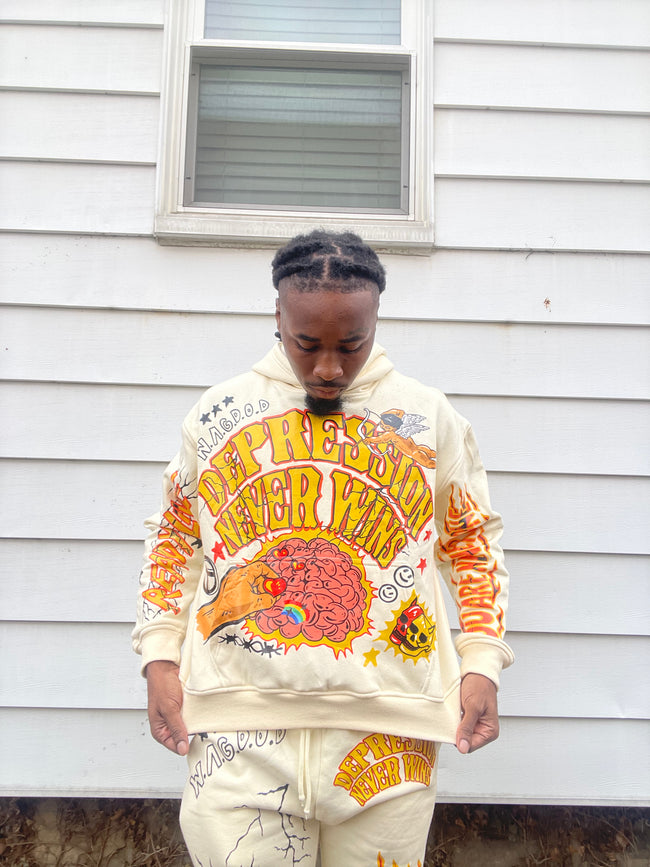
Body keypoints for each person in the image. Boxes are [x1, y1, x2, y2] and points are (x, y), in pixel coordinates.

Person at [133, 230, 514, 867]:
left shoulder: (426, 416)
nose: (329, 368)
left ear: (376, 321)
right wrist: (159, 657)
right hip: (237, 733)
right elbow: (175, 536)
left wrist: (482, 662)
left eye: (351, 344)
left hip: (389, 735)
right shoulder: (220, 412)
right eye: (307, 344)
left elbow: (470, 541)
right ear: (278, 317)